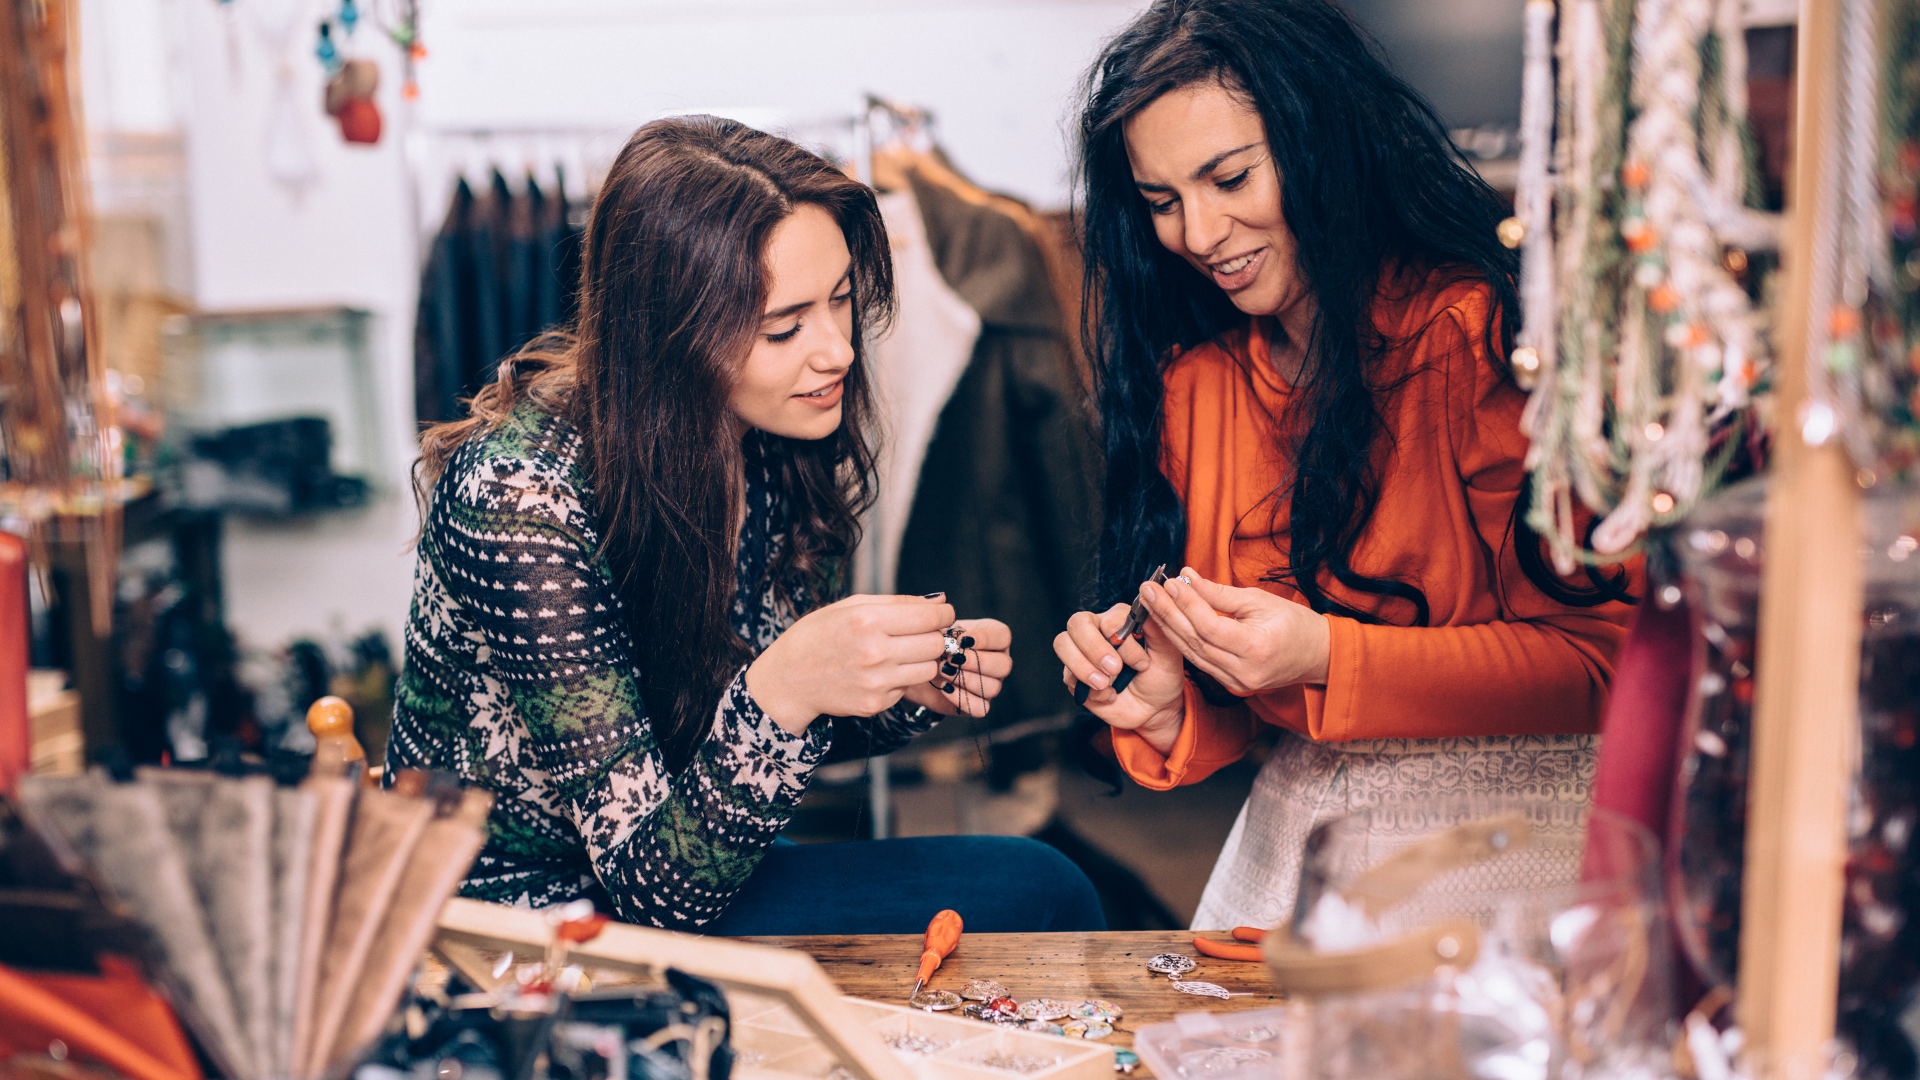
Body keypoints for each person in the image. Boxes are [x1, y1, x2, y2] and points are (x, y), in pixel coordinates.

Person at [393, 116, 1104, 935]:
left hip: (687, 862)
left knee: (1041, 886)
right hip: (514, 914)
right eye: (785, 327)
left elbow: (739, 740)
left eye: (841, 301)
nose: (837, 350)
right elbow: (654, 891)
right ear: (672, 335)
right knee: (1036, 889)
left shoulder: (764, 435)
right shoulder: (520, 499)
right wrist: (792, 680)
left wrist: (895, 691)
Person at [1055, 0, 1639, 931]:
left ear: (1323, 145)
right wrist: (1168, 704)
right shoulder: (1196, 389)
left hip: (1526, 848)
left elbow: (1603, 660)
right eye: (1162, 202)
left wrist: (1326, 652)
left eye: (1230, 178)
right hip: (1308, 836)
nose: (1198, 234)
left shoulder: (1477, 341)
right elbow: (1253, 719)